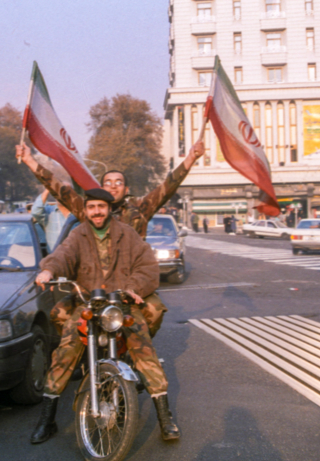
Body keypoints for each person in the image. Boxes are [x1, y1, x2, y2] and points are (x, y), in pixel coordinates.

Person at [31, 188, 180, 444]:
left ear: (109, 208)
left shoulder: (128, 234)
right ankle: (47, 420)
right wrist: (48, 271)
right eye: (92, 207)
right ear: (86, 210)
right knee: (64, 353)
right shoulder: (79, 234)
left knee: (145, 352)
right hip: (89, 303)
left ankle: (165, 420)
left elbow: (147, 266)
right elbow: (62, 256)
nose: (97, 212)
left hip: (121, 304)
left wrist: (132, 288)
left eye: (101, 206)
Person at [16, 140, 206, 339]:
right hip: (95, 287)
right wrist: (29, 160)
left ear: (126, 189)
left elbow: (169, 185)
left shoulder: (140, 209)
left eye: (119, 183)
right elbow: (58, 189)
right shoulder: (90, 209)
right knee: (61, 316)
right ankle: (84, 353)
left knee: (153, 313)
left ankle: (135, 350)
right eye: (108, 182)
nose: (113, 186)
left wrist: (191, 157)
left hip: (130, 286)